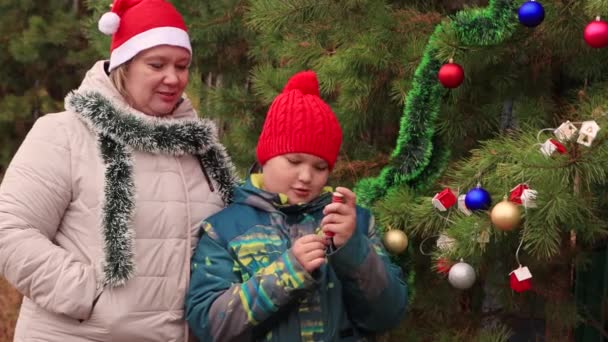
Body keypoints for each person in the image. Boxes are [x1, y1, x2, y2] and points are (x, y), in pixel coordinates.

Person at [0, 0, 238, 341]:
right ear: (123, 65)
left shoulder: (202, 151)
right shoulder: (64, 134)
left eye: (182, 66)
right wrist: (88, 294)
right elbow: (9, 230)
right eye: (157, 64)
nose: (173, 78)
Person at [185, 70, 408, 341]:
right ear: (266, 156)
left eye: (320, 167)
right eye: (293, 161)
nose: (306, 177)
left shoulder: (354, 223)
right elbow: (209, 325)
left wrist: (351, 247)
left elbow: (387, 314)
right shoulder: (225, 229)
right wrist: (287, 272)